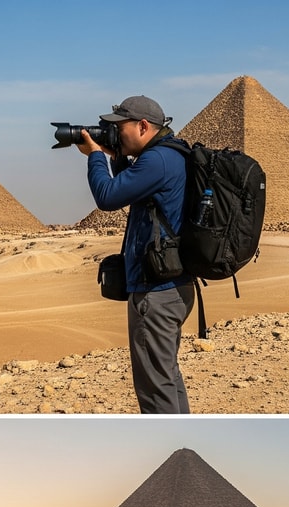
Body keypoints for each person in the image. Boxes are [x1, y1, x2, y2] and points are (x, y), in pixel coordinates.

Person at [74, 95, 196, 414]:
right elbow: (134, 188)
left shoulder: (157, 160)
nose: (113, 132)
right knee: (165, 380)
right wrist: (117, 156)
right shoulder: (169, 155)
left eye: (118, 127)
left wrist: (95, 156)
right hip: (173, 285)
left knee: (155, 389)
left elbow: (108, 196)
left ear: (143, 126)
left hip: (156, 292)